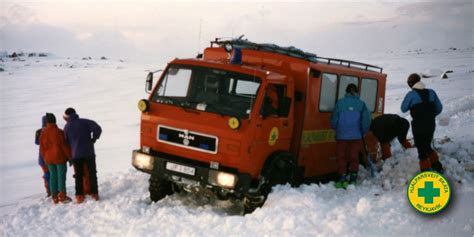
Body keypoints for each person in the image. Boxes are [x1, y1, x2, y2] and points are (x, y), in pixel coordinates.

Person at [401, 73, 444, 173]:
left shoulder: (411, 94)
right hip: (430, 124)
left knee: (421, 149)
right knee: (427, 145)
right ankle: (437, 166)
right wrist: (430, 115)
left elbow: (403, 109)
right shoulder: (431, 92)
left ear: (410, 83)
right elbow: (439, 108)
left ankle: (425, 172)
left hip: (418, 125)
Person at [331, 84, 371, 188]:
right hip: (356, 136)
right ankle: (353, 179)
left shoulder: (340, 103)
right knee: (354, 157)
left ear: (346, 92)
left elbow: (334, 119)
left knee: (341, 157)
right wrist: (363, 131)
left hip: (342, 136)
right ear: (357, 92)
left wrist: (337, 128)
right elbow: (366, 120)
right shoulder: (361, 104)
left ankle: (342, 179)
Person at [63, 107, 102, 203]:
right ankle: (95, 194)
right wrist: (94, 138)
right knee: (92, 173)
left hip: (76, 154)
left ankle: (79, 196)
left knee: (79, 176)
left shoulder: (67, 127)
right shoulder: (85, 122)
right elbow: (98, 128)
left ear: (67, 116)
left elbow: (66, 141)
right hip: (89, 152)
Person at [39, 113, 72, 204]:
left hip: (49, 159)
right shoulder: (59, 132)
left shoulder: (43, 133)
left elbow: (42, 148)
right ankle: (62, 195)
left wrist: (45, 157)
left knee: (53, 176)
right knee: (61, 176)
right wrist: (69, 157)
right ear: (55, 121)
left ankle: (54, 196)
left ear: (47, 122)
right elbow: (64, 146)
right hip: (59, 158)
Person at [35, 115, 50, 197]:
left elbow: (37, 142)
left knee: (47, 174)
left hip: (41, 157)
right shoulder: (51, 130)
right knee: (53, 174)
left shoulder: (38, 131)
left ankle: (49, 191)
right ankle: (54, 190)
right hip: (50, 157)